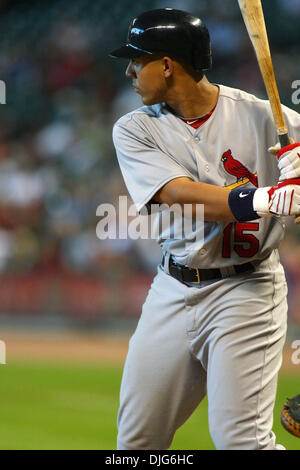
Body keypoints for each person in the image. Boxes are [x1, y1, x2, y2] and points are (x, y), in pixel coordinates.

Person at [109, 8, 300, 450]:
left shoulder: (268, 118)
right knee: (136, 444)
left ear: (168, 65)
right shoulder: (134, 129)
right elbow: (179, 195)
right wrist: (268, 197)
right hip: (173, 289)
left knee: (241, 442)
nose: (129, 71)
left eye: (138, 60)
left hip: (246, 290)